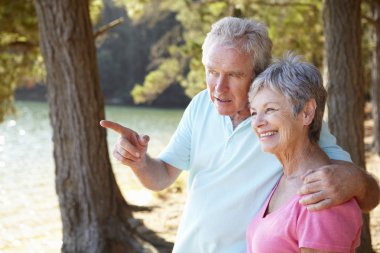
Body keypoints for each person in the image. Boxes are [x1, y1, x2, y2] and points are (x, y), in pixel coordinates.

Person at [100, 17, 379, 253]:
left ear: (258, 74)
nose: (218, 88)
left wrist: (355, 180)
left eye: (233, 75)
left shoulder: (286, 124)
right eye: (212, 72)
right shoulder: (200, 105)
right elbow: (161, 177)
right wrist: (139, 161)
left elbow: (364, 193)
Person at [246, 53, 362, 253]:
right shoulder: (285, 179)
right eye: (254, 112)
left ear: (307, 112)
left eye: (270, 109)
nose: (257, 123)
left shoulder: (323, 197)